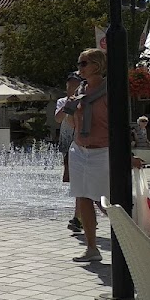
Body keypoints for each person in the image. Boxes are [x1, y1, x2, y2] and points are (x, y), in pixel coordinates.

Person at [65, 48, 144, 263]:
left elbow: (119, 127)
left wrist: (128, 157)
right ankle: (92, 248)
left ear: (97, 65)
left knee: (106, 201)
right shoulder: (80, 90)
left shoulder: (110, 91)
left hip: (103, 151)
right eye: (79, 63)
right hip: (79, 150)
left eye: (84, 63)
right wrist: (70, 108)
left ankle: (136, 240)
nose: (79, 67)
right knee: (83, 198)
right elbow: (71, 123)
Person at [54, 72, 85, 232]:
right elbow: (58, 119)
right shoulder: (62, 101)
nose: (72, 88)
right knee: (76, 183)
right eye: (69, 85)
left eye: (75, 85)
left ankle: (79, 217)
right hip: (68, 146)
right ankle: (82, 216)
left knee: (81, 183)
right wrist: (68, 104)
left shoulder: (85, 100)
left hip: (82, 145)